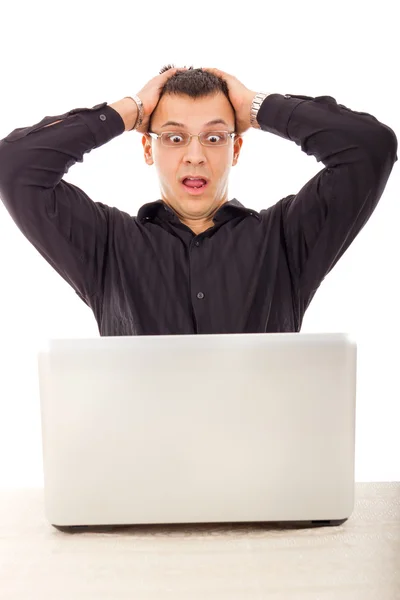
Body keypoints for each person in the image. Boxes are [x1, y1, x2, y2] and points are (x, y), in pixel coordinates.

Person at [0, 66, 397, 336]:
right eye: (174, 138)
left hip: (264, 461)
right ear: (148, 149)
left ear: (235, 148)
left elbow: (369, 148)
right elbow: (14, 166)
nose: (194, 156)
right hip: (139, 460)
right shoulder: (107, 245)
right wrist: (128, 110)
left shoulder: (285, 240)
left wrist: (257, 107)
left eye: (213, 137)